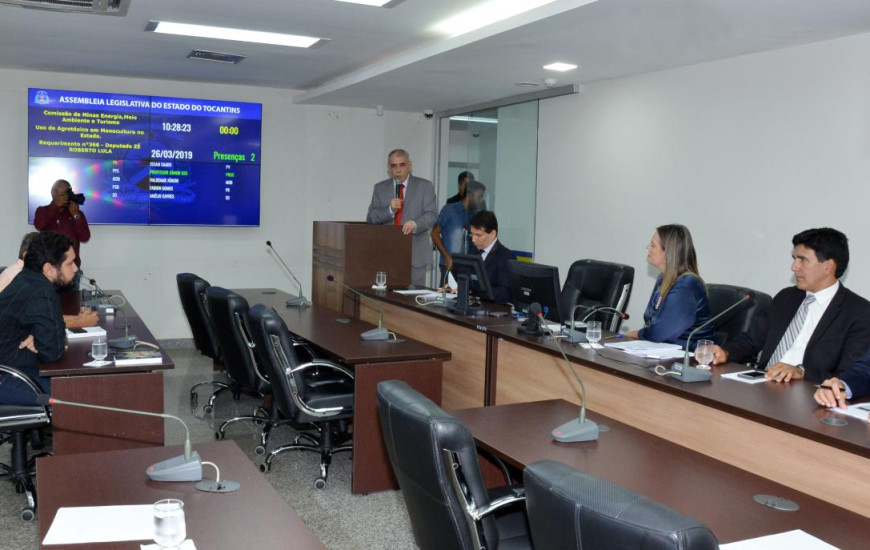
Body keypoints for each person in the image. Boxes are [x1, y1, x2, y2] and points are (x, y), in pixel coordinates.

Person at [712, 228, 870, 383]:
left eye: (803, 260)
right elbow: (751, 341)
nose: (794, 267)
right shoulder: (786, 297)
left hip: (809, 392)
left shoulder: (859, 312)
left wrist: (802, 372)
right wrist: (725, 352)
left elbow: (851, 374)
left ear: (828, 267)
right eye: (794, 259)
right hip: (762, 383)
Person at [0, 231, 77, 405]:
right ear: (49, 268)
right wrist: (45, 339)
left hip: (10, 366)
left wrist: (38, 337)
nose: (75, 268)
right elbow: (52, 353)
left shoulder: (26, 278)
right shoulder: (42, 292)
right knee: (73, 392)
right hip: (7, 376)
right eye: (70, 263)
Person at [626, 224, 713, 349]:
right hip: (664, 352)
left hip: (690, 356)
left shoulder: (686, 285)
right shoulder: (663, 279)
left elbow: (660, 334)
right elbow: (651, 324)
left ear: (667, 253)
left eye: (653, 245)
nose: (647, 247)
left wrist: (635, 334)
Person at [366, 149, 437, 286]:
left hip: (415, 253)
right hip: (387, 253)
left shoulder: (424, 186)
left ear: (410, 165)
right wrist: (389, 210)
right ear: (389, 168)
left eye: (402, 165)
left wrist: (415, 224)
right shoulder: (380, 188)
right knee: (386, 294)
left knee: (415, 295)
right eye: (394, 166)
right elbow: (371, 217)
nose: (398, 170)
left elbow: (432, 215)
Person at [33, 179, 91, 289]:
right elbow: (39, 224)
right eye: (64, 194)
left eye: (69, 193)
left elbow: (85, 237)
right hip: (50, 272)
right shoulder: (43, 211)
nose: (67, 197)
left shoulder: (75, 213)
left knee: (72, 300)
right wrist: (55, 206)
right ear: (54, 193)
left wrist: (76, 215)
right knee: (48, 300)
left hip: (71, 271)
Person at [432, 180, 486, 284]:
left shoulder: (475, 215)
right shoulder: (449, 210)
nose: (480, 201)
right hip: (449, 264)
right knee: (446, 293)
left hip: (468, 265)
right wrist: (446, 256)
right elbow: (434, 234)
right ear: (470, 195)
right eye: (479, 197)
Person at [468, 210, 516, 303]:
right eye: (472, 234)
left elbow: (504, 293)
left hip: (493, 309)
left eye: (478, 235)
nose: (473, 239)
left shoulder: (506, 257)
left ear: (492, 234)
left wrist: (474, 293)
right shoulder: (472, 252)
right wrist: (457, 285)